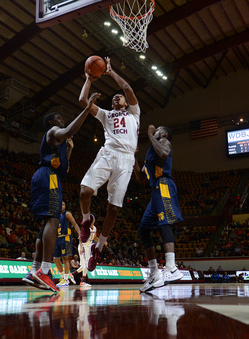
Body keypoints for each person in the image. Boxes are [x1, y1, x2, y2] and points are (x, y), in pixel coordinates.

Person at [22, 92, 100, 292]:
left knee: (46, 224)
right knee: (53, 220)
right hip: (47, 177)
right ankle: (45, 272)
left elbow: (63, 169)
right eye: (58, 118)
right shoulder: (53, 131)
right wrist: (87, 108)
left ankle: (34, 270)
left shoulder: (59, 144)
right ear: (50, 123)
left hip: (51, 177)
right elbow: (66, 130)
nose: (61, 121)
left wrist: (70, 149)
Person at [78, 56, 140, 272]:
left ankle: (99, 247)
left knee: (113, 208)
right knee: (85, 191)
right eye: (114, 97)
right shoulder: (106, 115)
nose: (117, 97)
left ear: (126, 103)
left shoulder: (134, 113)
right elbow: (82, 102)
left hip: (126, 160)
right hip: (108, 153)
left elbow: (128, 88)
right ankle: (86, 222)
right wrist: (89, 80)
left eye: (120, 97)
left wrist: (111, 72)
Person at [133, 125, 183, 293]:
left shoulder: (163, 141)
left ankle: (171, 267)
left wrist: (149, 135)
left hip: (164, 184)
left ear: (163, 133)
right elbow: (140, 178)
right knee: (143, 230)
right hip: (155, 190)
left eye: (157, 129)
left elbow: (164, 153)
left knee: (164, 223)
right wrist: (134, 158)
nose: (153, 130)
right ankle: (155, 272)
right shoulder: (150, 153)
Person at [54, 200, 80, 288]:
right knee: (55, 259)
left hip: (66, 237)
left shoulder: (67, 214)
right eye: (60, 204)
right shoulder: (55, 216)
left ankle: (66, 279)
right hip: (57, 238)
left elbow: (75, 224)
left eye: (63, 204)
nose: (62, 206)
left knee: (65, 258)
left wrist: (80, 234)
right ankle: (62, 278)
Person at [69, 215, 98, 287]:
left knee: (85, 265)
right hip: (84, 247)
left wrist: (102, 241)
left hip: (88, 247)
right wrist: (81, 247)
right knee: (86, 265)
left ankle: (72, 274)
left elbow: (95, 237)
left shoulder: (94, 228)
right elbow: (80, 238)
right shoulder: (86, 229)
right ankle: (82, 281)